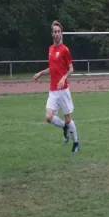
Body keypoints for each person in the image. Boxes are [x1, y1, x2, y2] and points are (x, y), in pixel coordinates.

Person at [33, 20, 80, 152]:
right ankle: (64, 127)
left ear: (61, 33)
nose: (57, 34)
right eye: (55, 32)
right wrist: (40, 73)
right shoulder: (50, 49)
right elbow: (52, 68)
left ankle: (76, 142)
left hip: (63, 90)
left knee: (68, 118)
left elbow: (71, 68)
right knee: (48, 117)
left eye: (59, 31)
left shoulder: (65, 50)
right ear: (52, 34)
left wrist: (63, 78)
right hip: (53, 90)